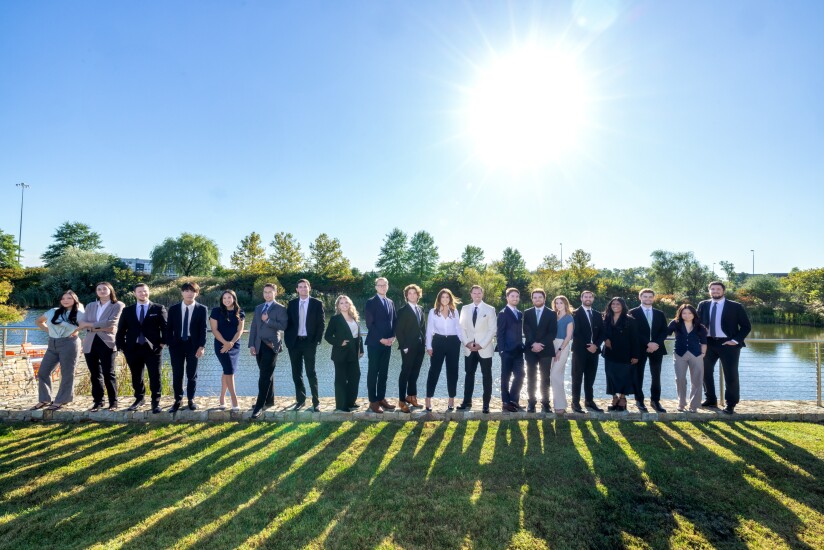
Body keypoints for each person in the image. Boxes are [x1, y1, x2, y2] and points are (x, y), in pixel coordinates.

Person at [697, 281, 751, 414]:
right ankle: (710, 399)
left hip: (728, 345)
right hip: (708, 343)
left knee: (731, 374)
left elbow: (746, 326)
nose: (715, 291)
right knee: (705, 372)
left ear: (723, 291)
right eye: (712, 289)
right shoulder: (703, 305)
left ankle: (730, 404)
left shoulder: (735, 306)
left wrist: (735, 340)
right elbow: (696, 323)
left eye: (718, 289)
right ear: (709, 291)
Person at [115, 283, 167, 414]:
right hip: (133, 348)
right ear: (135, 293)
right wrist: (122, 347)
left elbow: (166, 328)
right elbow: (121, 330)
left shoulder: (158, 308)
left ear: (148, 292)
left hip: (153, 349)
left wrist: (162, 343)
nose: (143, 294)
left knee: (155, 376)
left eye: (145, 291)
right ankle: (139, 398)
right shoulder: (128, 310)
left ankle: (155, 402)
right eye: (140, 292)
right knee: (136, 376)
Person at [32, 290, 84, 411]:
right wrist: (49, 332)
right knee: (43, 372)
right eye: (63, 298)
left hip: (69, 344)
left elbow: (85, 325)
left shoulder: (79, 313)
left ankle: (62, 399)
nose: (65, 300)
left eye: (69, 298)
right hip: (52, 343)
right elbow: (39, 321)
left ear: (75, 300)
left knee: (67, 373)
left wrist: (74, 331)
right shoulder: (53, 311)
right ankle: (45, 399)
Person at [79, 282, 125, 412]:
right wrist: (100, 326)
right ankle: (98, 402)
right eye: (99, 289)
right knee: (94, 374)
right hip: (90, 342)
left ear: (110, 290)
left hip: (107, 341)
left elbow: (112, 323)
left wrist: (90, 325)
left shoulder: (118, 305)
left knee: (108, 373)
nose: (102, 291)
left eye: (104, 289)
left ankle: (113, 402)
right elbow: (82, 322)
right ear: (96, 292)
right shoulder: (90, 305)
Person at [165, 282, 208, 412]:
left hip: (193, 345)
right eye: (186, 291)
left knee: (192, 374)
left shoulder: (202, 309)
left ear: (197, 293)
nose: (189, 293)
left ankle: (191, 399)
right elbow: (168, 329)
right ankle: (177, 399)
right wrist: (170, 343)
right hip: (176, 345)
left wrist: (201, 346)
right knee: (177, 373)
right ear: (182, 293)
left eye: (192, 291)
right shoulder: (173, 309)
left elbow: (203, 329)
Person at [284, 279, 325, 411]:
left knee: (311, 372)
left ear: (309, 288)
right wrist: (288, 341)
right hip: (294, 343)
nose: (303, 289)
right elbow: (287, 324)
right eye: (300, 287)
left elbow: (321, 323)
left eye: (305, 287)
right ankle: (300, 400)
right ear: (297, 289)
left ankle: (316, 401)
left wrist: (317, 340)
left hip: (309, 343)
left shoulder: (317, 303)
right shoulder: (291, 304)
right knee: (296, 373)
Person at [249, 283, 288, 419]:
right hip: (258, 345)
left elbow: (283, 326)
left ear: (275, 293)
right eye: (265, 292)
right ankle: (269, 401)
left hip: (271, 346)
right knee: (266, 373)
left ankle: (259, 406)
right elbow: (253, 327)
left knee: (264, 376)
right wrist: (251, 345)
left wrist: (268, 320)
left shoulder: (281, 308)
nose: (267, 294)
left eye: (270, 292)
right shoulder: (258, 308)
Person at [457, 285, 497, 413]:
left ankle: (486, 404)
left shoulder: (490, 309)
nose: (477, 295)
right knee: (469, 375)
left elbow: (492, 329)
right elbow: (461, 328)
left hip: (484, 348)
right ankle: (467, 402)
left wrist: (481, 344)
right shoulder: (465, 308)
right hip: (469, 348)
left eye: (479, 293)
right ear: (471, 294)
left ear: (482, 294)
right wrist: (467, 342)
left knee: (487, 376)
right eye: (474, 293)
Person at [629, 289, 669, 413]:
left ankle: (655, 401)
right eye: (645, 296)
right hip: (639, 348)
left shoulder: (659, 313)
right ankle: (639, 400)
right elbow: (634, 332)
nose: (648, 299)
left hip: (657, 348)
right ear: (640, 297)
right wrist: (648, 343)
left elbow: (664, 331)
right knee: (638, 375)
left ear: (653, 298)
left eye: (650, 297)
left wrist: (656, 343)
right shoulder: (633, 312)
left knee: (656, 376)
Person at [324, 295, 364, 412]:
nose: (344, 305)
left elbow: (358, 336)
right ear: (338, 306)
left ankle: (351, 402)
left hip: (353, 353)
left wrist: (361, 349)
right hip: (340, 354)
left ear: (350, 304)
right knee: (341, 379)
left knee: (355, 376)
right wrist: (339, 342)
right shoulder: (335, 319)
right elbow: (327, 336)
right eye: (341, 303)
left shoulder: (354, 317)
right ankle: (342, 405)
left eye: (346, 302)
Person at [424, 288, 462, 412]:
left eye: (447, 297)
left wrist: (464, 342)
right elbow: (429, 330)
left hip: (453, 343)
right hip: (438, 342)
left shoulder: (454, 311)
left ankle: (451, 399)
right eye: (442, 297)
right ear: (439, 299)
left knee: (452, 372)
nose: (445, 299)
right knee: (434, 371)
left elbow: (458, 329)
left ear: (450, 299)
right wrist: (428, 346)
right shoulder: (433, 312)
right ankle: (428, 399)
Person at [364, 277, 397, 413]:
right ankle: (373, 401)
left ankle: (381, 398)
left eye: (385, 285)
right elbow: (369, 324)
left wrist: (393, 336)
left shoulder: (390, 302)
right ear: (376, 287)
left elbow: (394, 321)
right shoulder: (371, 302)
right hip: (375, 343)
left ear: (387, 286)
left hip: (388, 344)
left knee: (384, 373)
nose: (383, 287)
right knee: (373, 372)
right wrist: (381, 339)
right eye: (380, 285)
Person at [523, 289, 558, 413]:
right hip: (530, 349)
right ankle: (531, 403)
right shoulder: (527, 313)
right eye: (535, 297)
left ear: (544, 298)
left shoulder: (552, 313)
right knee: (531, 377)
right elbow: (526, 330)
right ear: (532, 299)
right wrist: (533, 343)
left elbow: (552, 332)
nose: (537, 299)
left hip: (546, 349)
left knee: (545, 377)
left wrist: (541, 344)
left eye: (540, 297)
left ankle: (545, 403)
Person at [667, 304, 708, 412]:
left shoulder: (700, 326)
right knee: (680, 379)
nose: (687, 315)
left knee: (697, 380)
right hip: (679, 354)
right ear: (680, 314)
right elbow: (665, 333)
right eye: (684, 313)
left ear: (694, 314)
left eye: (689, 313)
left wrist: (703, 354)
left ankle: (694, 405)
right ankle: (681, 403)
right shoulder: (675, 323)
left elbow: (704, 342)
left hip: (696, 354)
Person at [210, 290, 245, 412]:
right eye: (224, 298)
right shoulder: (216, 311)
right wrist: (226, 343)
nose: (226, 300)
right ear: (221, 300)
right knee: (229, 370)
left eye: (229, 298)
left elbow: (240, 330)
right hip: (221, 345)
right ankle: (234, 400)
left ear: (234, 299)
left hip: (235, 345)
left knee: (228, 371)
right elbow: (214, 330)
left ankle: (222, 398)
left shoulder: (240, 312)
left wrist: (231, 343)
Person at [602, 297, 639, 412]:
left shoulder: (630, 320)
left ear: (622, 305)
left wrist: (635, 355)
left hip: (625, 353)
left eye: (618, 304)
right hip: (609, 352)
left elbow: (635, 339)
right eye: (613, 304)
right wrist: (605, 339)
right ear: (610, 305)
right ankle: (614, 397)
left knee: (624, 376)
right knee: (610, 375)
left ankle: (622, 398)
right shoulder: (606, 318)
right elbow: (600, 332)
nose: (615, 306)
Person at [571, 290, 605, 413]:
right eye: (586, 296)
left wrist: (595, 345)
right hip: (580, 351)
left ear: (593, 299)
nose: (588, 298)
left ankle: (589, 401)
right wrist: (588, 346)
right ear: (581, 298)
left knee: (590, 378)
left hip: (594, 351)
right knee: (577, 377)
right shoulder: (574, 314)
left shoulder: (597, 314)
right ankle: (575, 403)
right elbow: (576, 333)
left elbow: (602, 332)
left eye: (590, 297)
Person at [395, 284, 426, 413]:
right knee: (405, 373)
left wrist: (424, 343)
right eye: (410, 293)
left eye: (415, 293)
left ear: (418, 295)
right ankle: (402, 400)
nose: (412, 295)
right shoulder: (403, 311)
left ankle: (411, 397)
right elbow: (399, 330)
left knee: (415, 373)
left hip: (420, 346)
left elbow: (422, 328)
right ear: (406, 296)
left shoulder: (421, 309)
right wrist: (404, 346)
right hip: (408, 347)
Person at [497, 288, 525, 413]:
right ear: (507, 298)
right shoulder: (503, 313)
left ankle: (513, 400)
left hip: (518, 351)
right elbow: (500, 333)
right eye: (512, 296)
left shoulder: (519, 313)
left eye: (516, 296)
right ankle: (505, 402)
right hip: (506, 351)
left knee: (520, 375)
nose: (515, 298)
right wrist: (502, 351)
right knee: (505, 377)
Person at [550, 295, 574, 414]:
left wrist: (559, 349)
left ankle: (560, 404)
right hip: (551, 345)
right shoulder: (554, 316)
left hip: (562, 346)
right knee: (555, 375)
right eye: (556, 303)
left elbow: (568, 336)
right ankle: (560, 403)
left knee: (555, 375)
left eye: (560, 303)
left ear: (565, 303)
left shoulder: (569, 318)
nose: (558, 305)